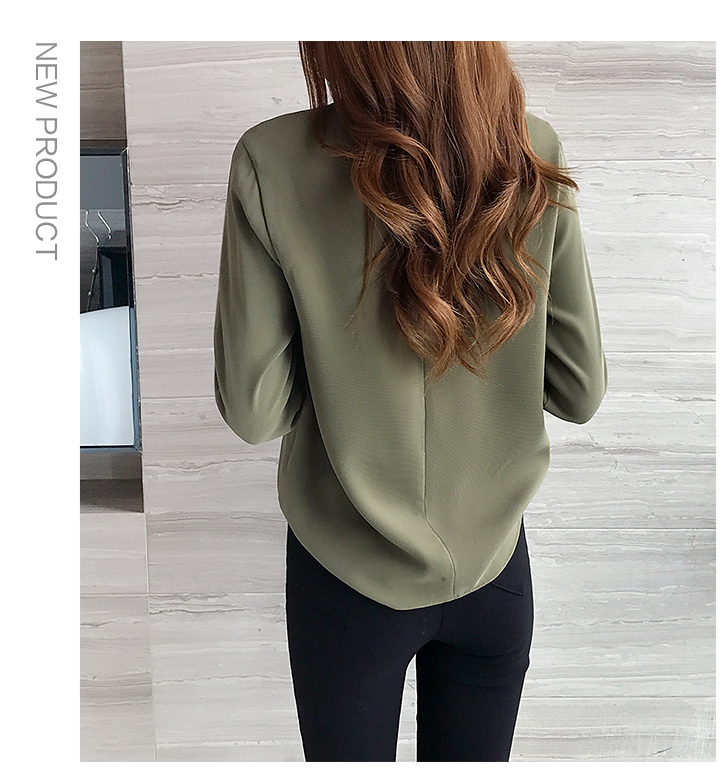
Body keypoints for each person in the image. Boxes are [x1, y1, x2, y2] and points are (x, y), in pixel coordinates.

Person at [213, 41, 608, 762]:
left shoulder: (271, 161)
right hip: (493, 573)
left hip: (345, 579)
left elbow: (254, 410)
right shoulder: (530, 149)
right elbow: (579, 390)